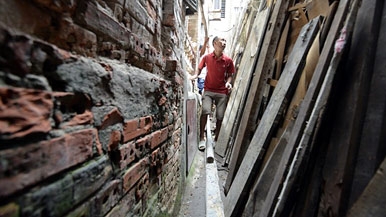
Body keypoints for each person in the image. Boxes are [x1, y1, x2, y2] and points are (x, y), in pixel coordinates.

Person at [190, 36, 236, 150]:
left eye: (225, 40)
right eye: (222, 40)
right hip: (209, 90)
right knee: (205, 111)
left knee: (220, 116)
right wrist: (195, 76)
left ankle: (216, 139)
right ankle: (202, 138)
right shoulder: (207, 57)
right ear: (215, 43)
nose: (224, 42)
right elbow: (200, 69)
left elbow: (230, 75)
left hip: (222, 92)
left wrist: (228, 83)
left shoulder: (228, 60)